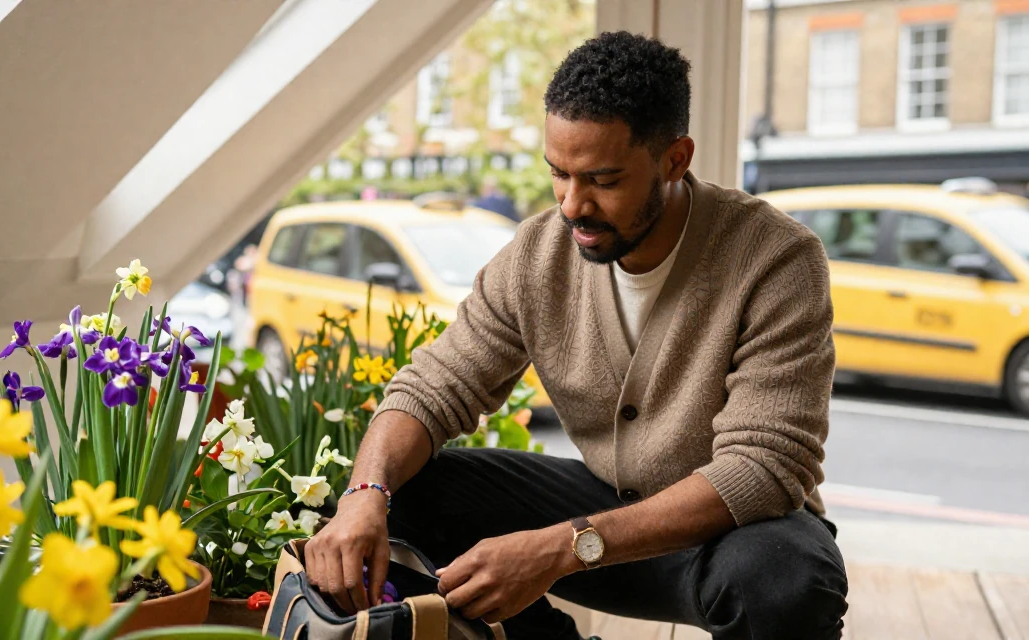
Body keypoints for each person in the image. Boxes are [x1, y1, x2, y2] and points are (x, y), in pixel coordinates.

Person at [306, 32, 848, 640]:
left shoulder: (776, 259)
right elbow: (434, 387)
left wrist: (564, 547)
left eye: (603, 180)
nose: (571, 205)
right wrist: (365, 492)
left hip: (729, 536)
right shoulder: (538, 255)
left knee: (787, 577)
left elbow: (762, 470)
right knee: (406, 496)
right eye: (558, 174)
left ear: (675, 158)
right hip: (604, 504)